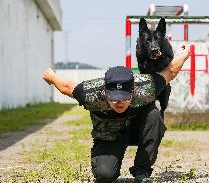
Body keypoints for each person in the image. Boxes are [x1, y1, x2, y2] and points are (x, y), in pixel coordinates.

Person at [42, 45, 190, 183]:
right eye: (114, 99)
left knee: (154, 115)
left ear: (133, 91)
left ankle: (142, 170)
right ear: (105, 92)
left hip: (137, 129)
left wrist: (184, 55)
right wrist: (51, 76)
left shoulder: (145, 87)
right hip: (109, 135)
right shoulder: (91, 93)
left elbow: (170, 71)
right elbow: (66, 87)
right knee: (105, 176)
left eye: (124, 98)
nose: (119, 103)